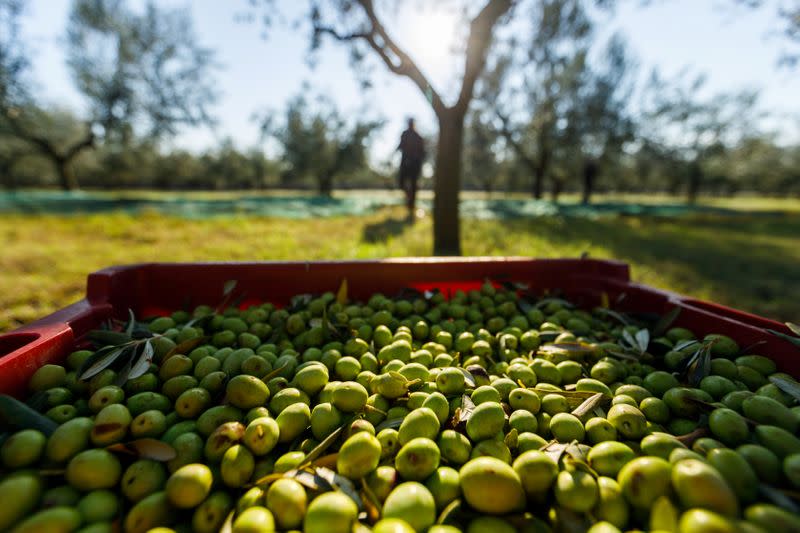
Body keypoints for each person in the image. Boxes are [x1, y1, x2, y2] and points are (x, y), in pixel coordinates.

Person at [397, 118, 425, 218]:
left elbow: (423, 152)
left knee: (413, 185)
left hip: (415, 164)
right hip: (405, 163)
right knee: (401, 183)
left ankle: (411, 204)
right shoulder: (405, 134)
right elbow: (400, 146)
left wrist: (417, 159)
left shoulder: (418, 137)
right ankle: (409, 199)